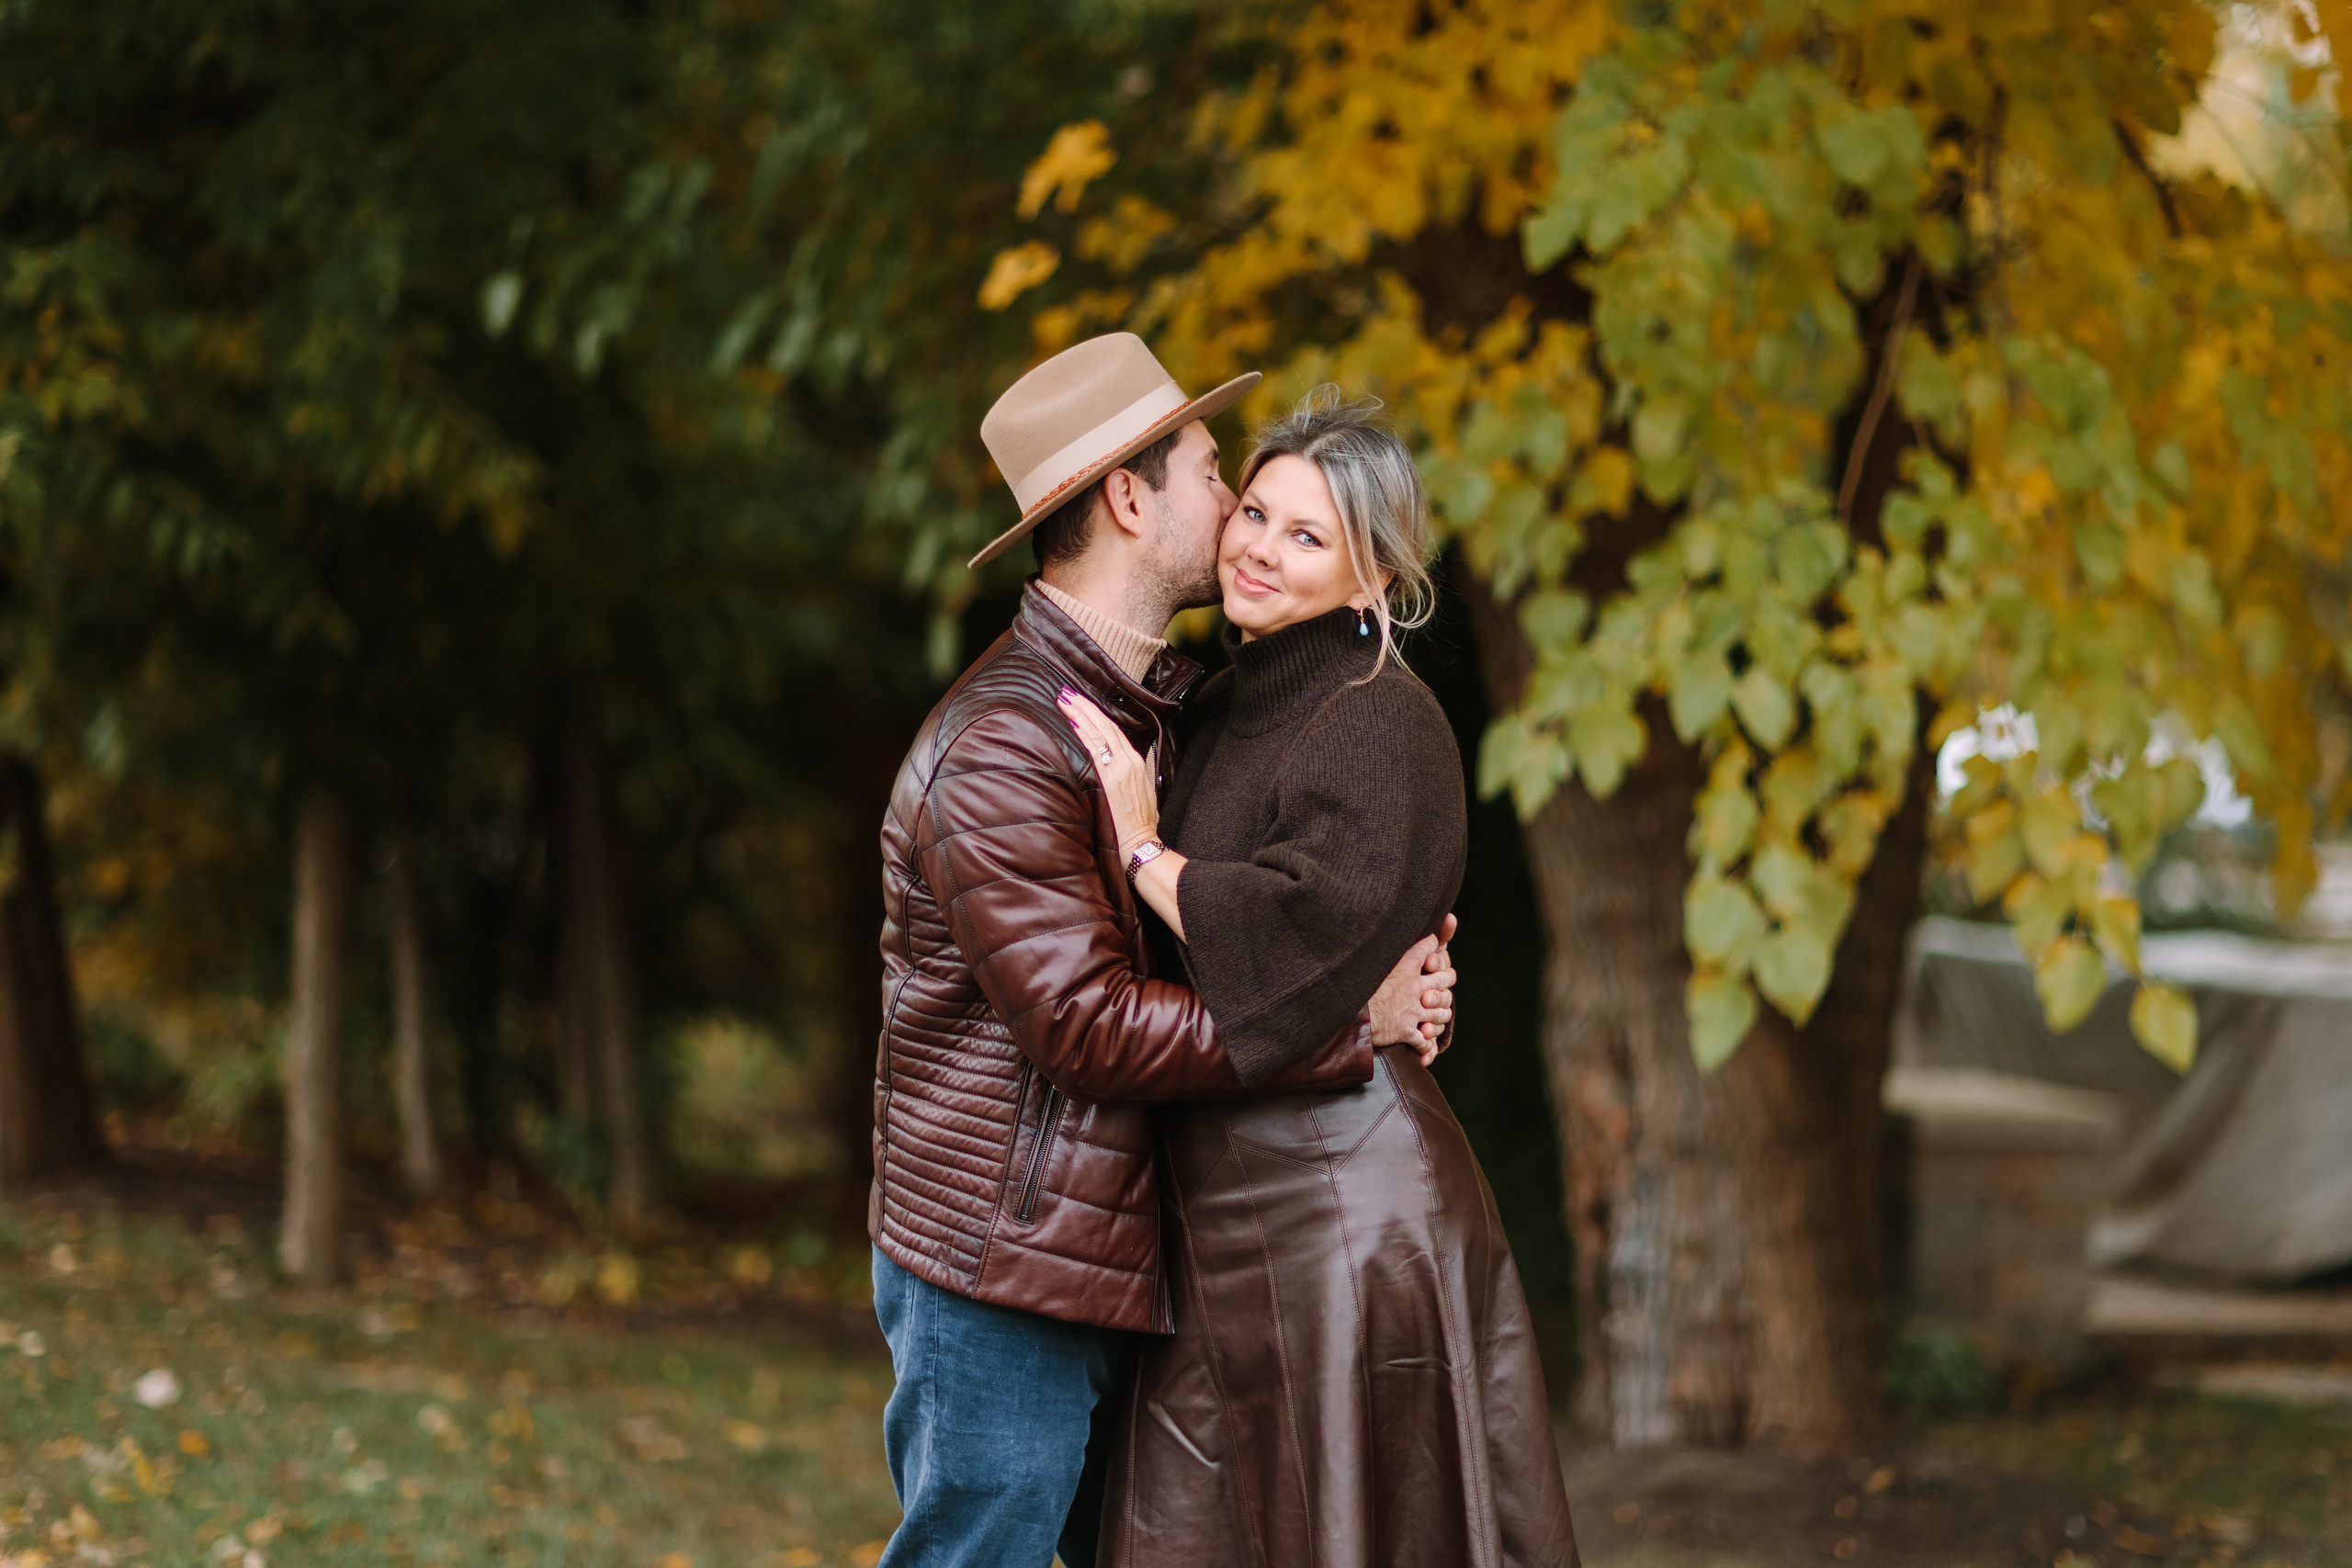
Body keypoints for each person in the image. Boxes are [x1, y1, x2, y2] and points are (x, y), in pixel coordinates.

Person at [869, 335, 1461, 1568]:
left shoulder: (1166, 709)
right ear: (1131, 499)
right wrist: (1356, 1026)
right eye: (1214, 478)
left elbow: (1269, 903)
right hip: (1007, 1258)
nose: (1233, 511)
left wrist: (1380, 959)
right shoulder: (1008, 744)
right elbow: (1085, 1026)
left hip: (1111, 1246)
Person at [1060, 389, 1581, 1567]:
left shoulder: (1379, 715)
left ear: (1372, 580)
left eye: (1307, 538)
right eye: (1254, 512)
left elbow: (1305, 931)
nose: (1258, 549)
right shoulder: (1236, 697)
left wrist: (1149, 854)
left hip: (1345, 1202)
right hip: (1233, 1202)